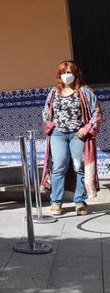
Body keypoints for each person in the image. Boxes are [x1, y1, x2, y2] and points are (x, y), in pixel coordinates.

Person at [41, 60, 102, 216]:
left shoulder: (85, 91)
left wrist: (87, 127)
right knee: (59, 166)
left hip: (78, 135)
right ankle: (56, 202)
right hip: (58, 135)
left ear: (76, 74)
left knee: (78, 167)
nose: (66, 75)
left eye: (69, 72)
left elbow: (97, 112)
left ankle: (80, 202)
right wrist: (51, 126)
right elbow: (46, 111)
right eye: (63, 72)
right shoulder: (54, 92)